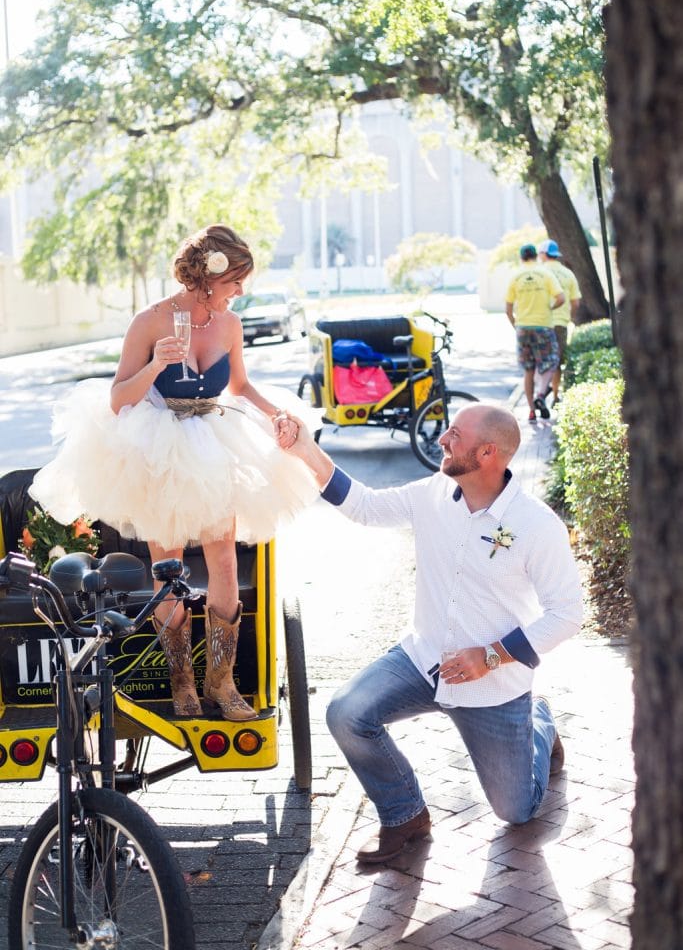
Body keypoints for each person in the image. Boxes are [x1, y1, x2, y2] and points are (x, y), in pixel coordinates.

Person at [30, 223, 319, 721]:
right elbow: (119, 400)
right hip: (157, 444)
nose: (241, 292)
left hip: (212, 439)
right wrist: (153, 365)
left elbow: (241, 386)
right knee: (170, 571)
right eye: (236, 281)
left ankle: (221, 683)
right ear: (208, 278)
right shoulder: (151, 321)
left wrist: (276, 415)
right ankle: (181, 682)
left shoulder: (229, 324)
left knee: (225, 561)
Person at [276, 402, 583, 864]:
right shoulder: (434, 493)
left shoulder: (536, 525)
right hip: (423, 661)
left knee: (516, 812)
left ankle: (539, 724)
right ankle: (404, 815)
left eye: (455, 435)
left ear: (487, 454)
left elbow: (567, 613)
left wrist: (492, 656)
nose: (442, 438)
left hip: (494, 686)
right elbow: (364, 506)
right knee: (346, 713)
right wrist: (305, 450)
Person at [505, 244, 565, 423]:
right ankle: (541, 394)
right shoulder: (545, 274)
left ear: (521, 258)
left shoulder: (515, 276)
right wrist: (549, 308)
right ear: (536, 257)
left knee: (528, 369)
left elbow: (508, 308)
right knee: (552, 361)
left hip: (523, 327)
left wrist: (516, 325)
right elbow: (561, 298)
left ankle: (531, 410)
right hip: (543, 326)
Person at [538, 239, 582, 406]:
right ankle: (556, 396)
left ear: (543, 254)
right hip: (560, 323)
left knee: (541, 360)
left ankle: (540, 393)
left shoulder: (539, 273)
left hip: (541, 323)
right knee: (557, 361)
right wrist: (569, 316)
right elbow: (576, 302)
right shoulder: (568, 274)